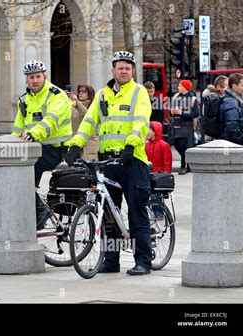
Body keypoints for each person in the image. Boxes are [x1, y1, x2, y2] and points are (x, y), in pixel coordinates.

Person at [65, 51, 153, 275]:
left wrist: (131, 145)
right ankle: (111, 261)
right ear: (113, 70)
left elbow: (141, 121)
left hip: (132, 158)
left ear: (132, 71)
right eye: (120, 67)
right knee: (108, 213)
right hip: (108, 160)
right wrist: (75, 145)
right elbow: (89, 121)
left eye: (128, 68)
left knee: (136, 210)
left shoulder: (139, 92)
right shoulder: (103, 94)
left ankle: (143, 261)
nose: (123, 71)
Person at [11, 60, 72, 230]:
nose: (35, 80)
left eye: (38, 76)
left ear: (45, 76)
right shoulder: (24, 100)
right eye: (31, 77)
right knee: (21, 182)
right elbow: (17, 128)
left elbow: (51, 121)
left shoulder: (56, 95)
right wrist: (7, 146)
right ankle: (31, 220)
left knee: (21, 176)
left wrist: (33, 134)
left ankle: (42, 211)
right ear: (26, 80)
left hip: (54, 148)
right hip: (34, 148)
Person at [170, 79, 199, 175]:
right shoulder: (175, 97)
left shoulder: (193, 99)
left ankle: (183, 166)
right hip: (176, 124)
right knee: (176, 144)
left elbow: (196, 114)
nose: (178, 87)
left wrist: (182, 113)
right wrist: (173, 111)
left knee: (183, 146)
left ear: (185, 88)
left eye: (180, 86)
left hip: (186, 125)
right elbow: (171, 109)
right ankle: (188, 164)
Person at [66, 84, 98, 160]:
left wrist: (76, 101)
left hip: (88, 143)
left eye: (83, 91)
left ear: (90, 94)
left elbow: (87, 115)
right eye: (79, 91)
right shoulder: (74, 106)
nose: (80, 93)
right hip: (74, 141)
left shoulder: (92, 106)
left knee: (89, 168)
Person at [218, 73, 243, 145]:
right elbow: (233, 128)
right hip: (232, 144)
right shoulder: (231, 102)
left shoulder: (235, 100)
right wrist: (242, 139)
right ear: (234, 86)